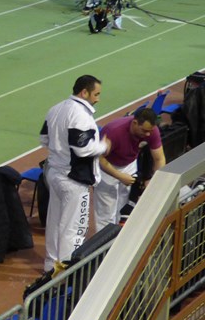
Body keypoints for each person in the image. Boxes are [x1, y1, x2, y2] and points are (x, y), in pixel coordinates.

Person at [39, 75, 111, 272]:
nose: (98, 99)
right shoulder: (80, 115)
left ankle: (50, 266)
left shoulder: (55, 109)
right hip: (73, 180)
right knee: (73, 228)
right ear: (84, 92)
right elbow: (82, 148)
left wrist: (59, 152)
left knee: (55, 222)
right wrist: (103, 146)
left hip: (54, 174)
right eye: (96, 94)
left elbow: (44, 139)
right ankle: (66, 273)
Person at [94, 107, 166, 229]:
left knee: (124, 206)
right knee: (105, 211)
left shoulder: (151, 130)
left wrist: (155, 182)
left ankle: (119, 235)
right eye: (144, 131)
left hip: (129, 164)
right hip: (106, 169)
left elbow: (159, 159)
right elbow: (99, 159)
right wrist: (119, 176)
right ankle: (104, 240)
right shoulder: (114, 131)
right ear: (135, 123)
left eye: (150, 131)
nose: (148, 134)